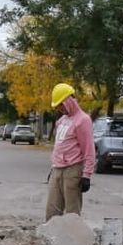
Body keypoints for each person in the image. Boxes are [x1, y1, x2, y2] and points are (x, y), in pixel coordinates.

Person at [46, 82, 95, 221]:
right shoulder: (62, 120)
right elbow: (59, 145)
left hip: (73, 170)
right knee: (52, 211)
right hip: (57, 169)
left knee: (72, 213)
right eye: (58, 106)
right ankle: (51, 240)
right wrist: (52, 168)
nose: (60, 109)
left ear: (69, 100)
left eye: (61, 104)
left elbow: (89, 150)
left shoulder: (83, 120)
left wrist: (86, 175)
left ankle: (74, 240)